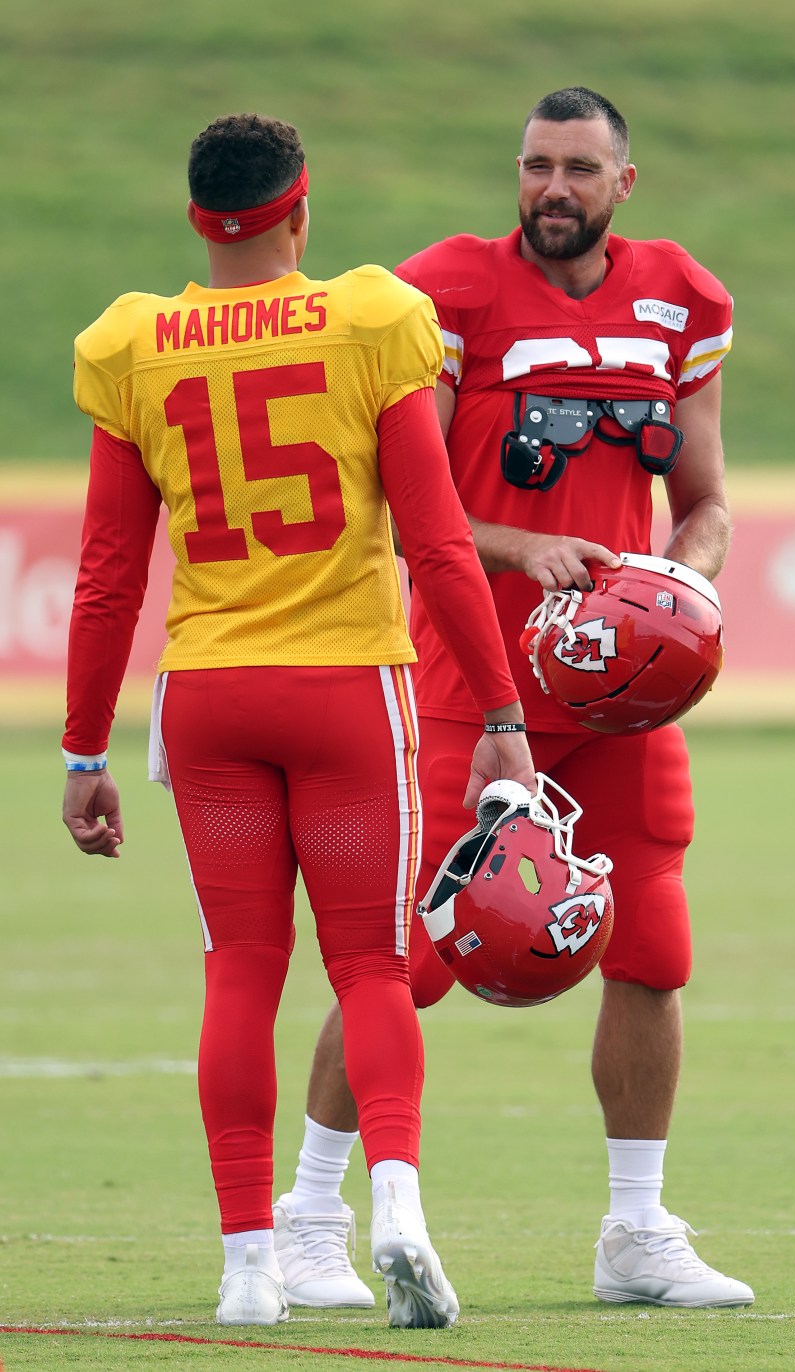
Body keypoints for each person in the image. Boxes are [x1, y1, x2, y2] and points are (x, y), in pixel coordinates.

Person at [273, 86, 754, 1311]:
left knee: (652, 943)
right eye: (536, 165)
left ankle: (636, 1233)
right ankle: (309, 1217)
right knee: (410, 957)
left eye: (579, 169)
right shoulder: (447, 289)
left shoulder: (682, 297)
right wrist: (521, 544)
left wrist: (667, 584)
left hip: (617, 698)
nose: (552, 189)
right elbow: (401, 499)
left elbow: (703, 503)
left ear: (622, 185)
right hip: (472, 680)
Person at [60, 112, 537, 1330]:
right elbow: (436, 542)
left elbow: (109, 575)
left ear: (194, 220)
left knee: (240, 971)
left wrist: (81, 752)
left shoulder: (132, 344)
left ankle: (246, 1273)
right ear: (302, 210)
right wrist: (499, 707)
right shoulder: (372, 317)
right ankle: (396, 1217)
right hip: (343, 686)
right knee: (371, 966)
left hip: (208, 688)